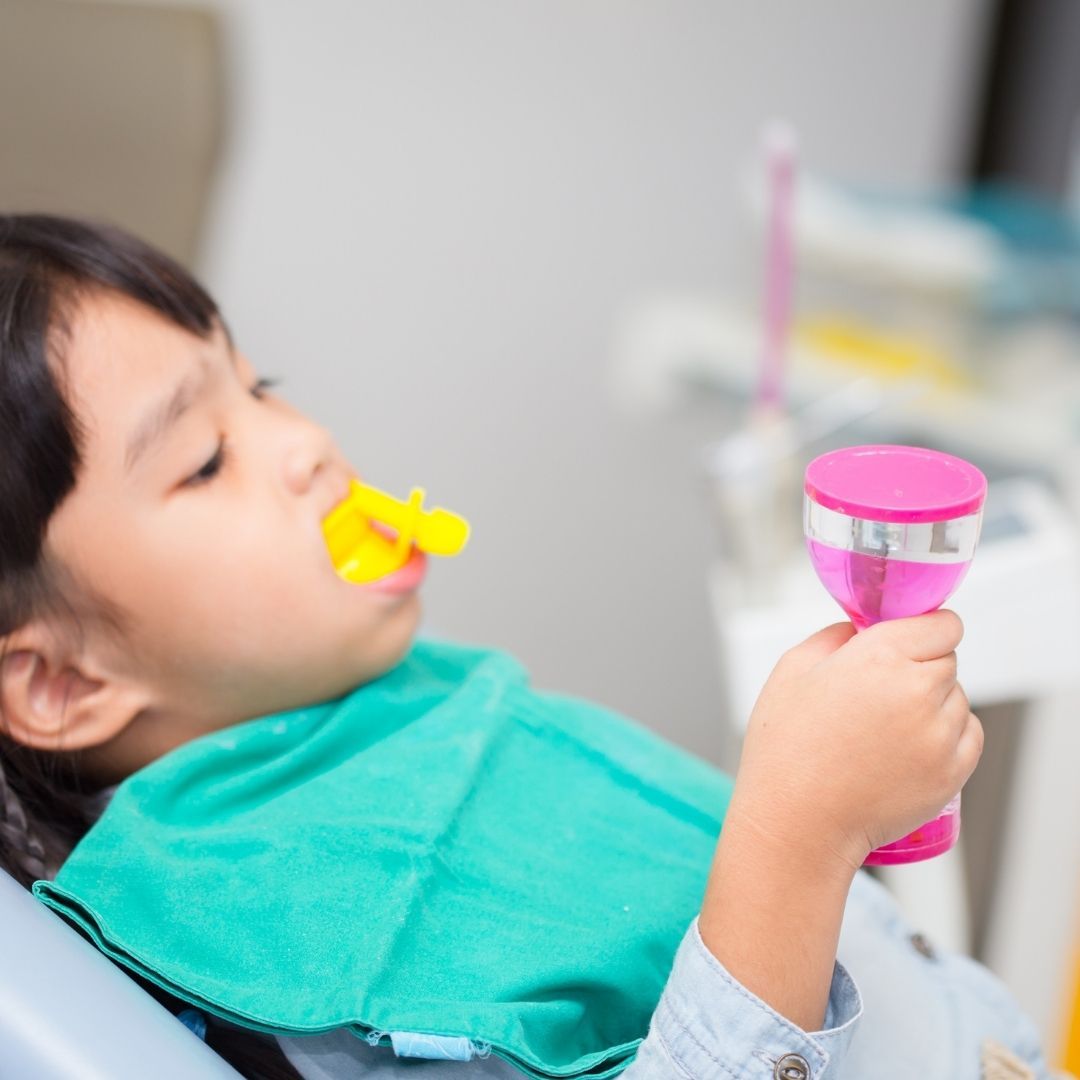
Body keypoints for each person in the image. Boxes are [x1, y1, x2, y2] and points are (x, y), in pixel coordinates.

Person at [0, 214, 1058, 1080]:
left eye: (261, 384)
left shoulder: (386, 710)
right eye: (205, 459)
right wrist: (797, 837)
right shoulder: (282, 945)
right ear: (59, 680)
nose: (306, 443)